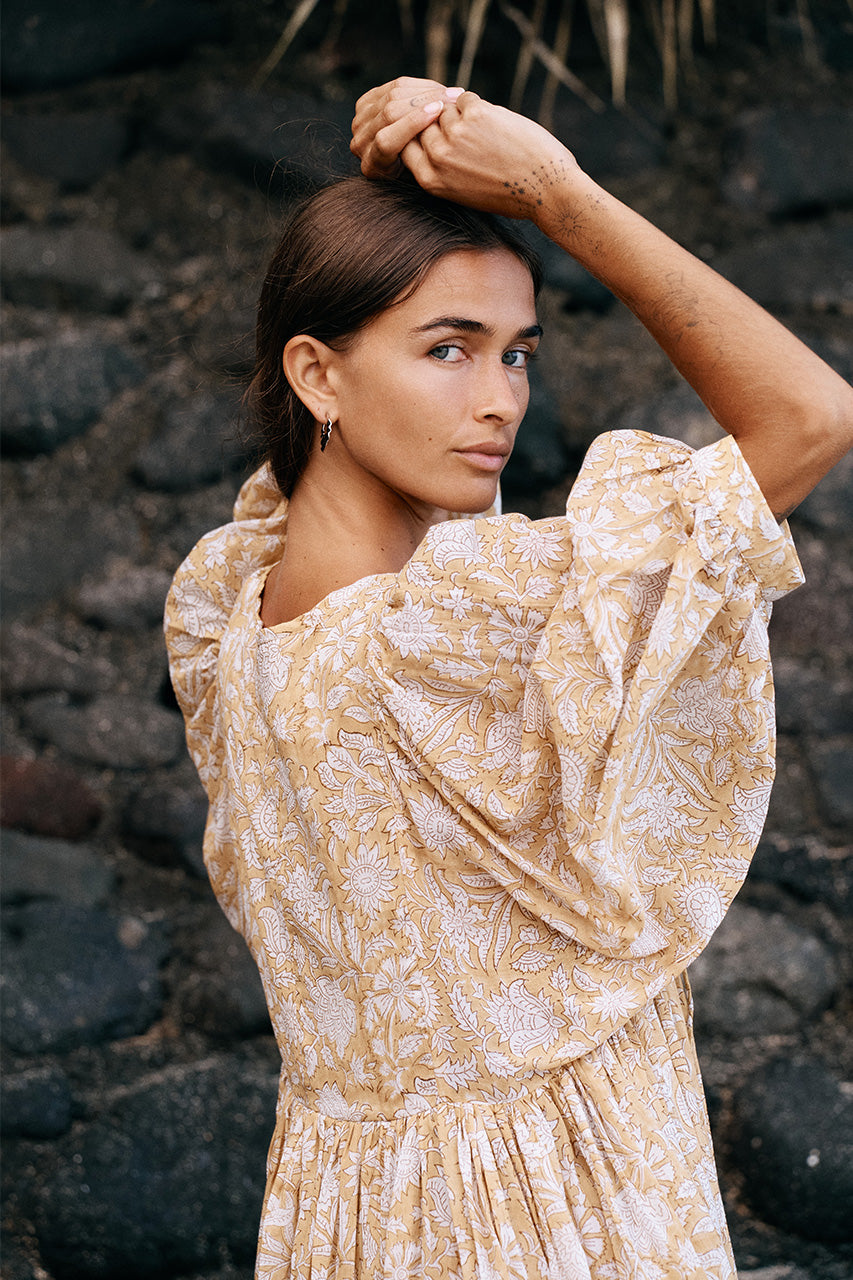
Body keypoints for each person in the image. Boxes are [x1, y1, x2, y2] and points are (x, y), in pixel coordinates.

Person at [165, 77, 852, 1278]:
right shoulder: (440, 625)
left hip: (357, 1215)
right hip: (547, 1213)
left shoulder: (230, 612)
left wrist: (423, 169)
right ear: (317, 374)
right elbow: (809, 415)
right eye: (448, 349)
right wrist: (553, 190)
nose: (498, 401)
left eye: (516, 353)